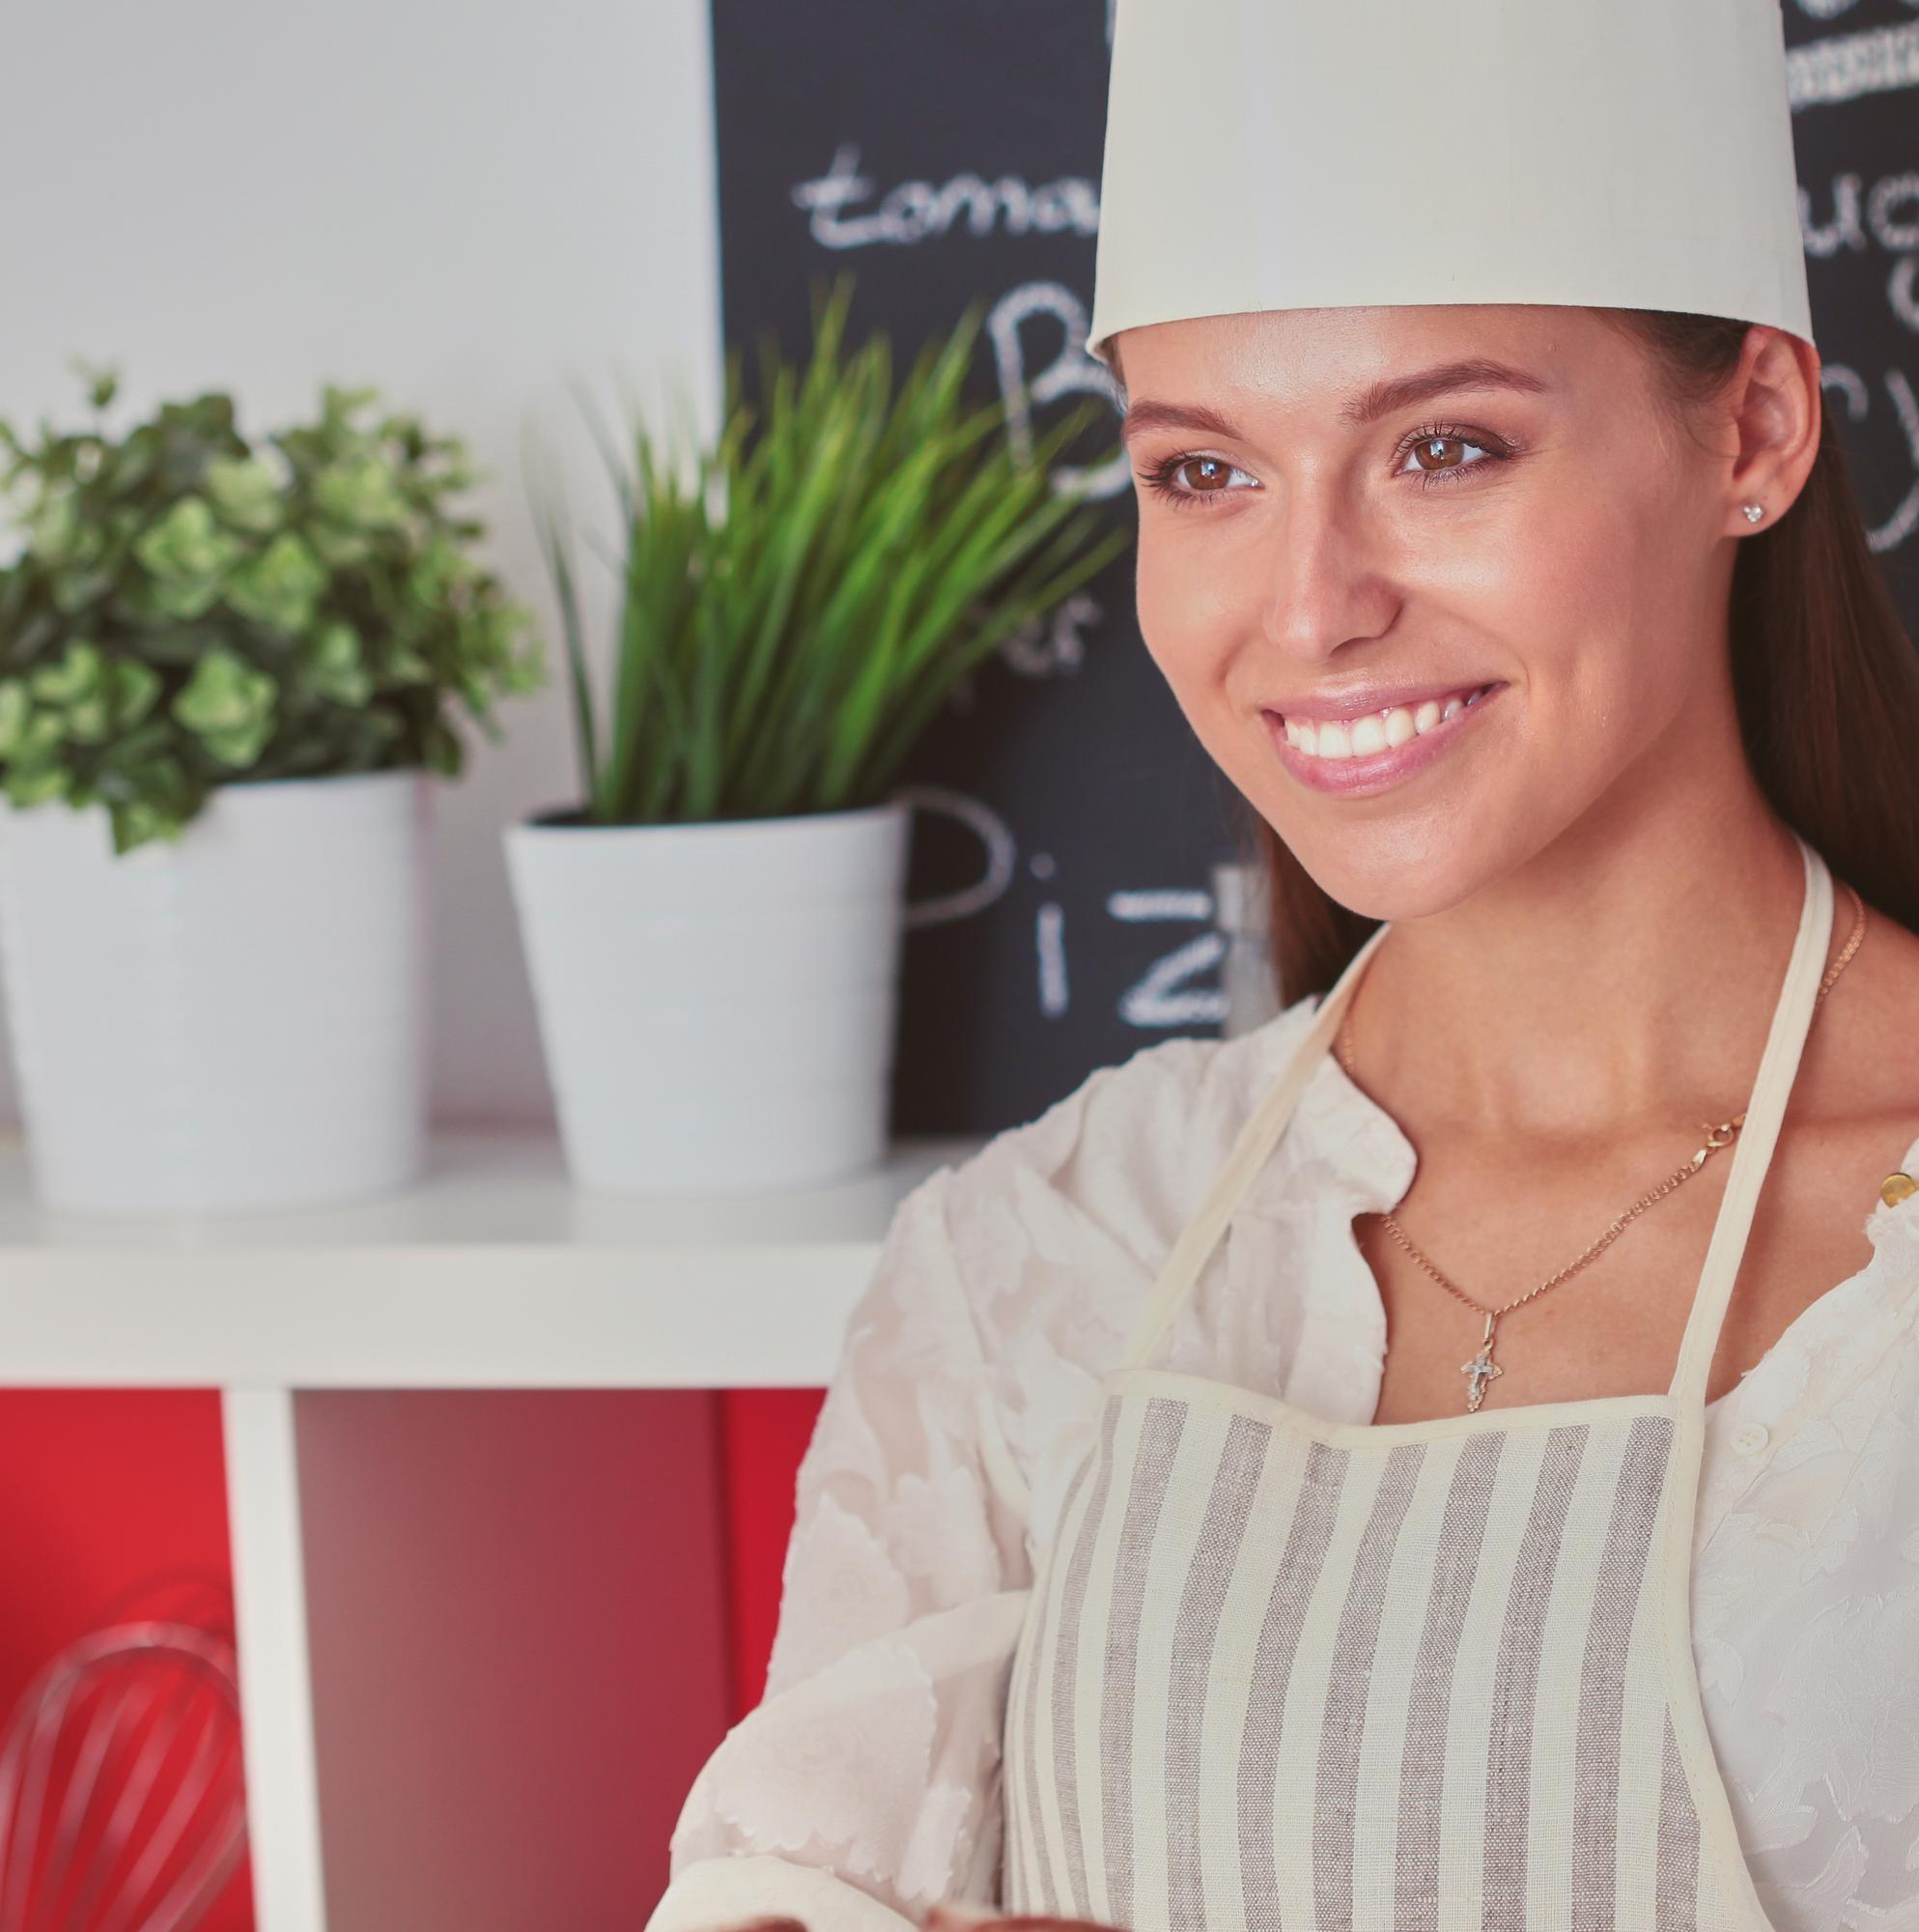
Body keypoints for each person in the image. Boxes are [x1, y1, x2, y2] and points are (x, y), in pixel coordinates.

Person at [645, 1, 1919, 1928]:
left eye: (1446, 446)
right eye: (1205, 475)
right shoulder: (1038, 1265)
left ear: (1749, 429)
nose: (1310, 607)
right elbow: (782, 1888)